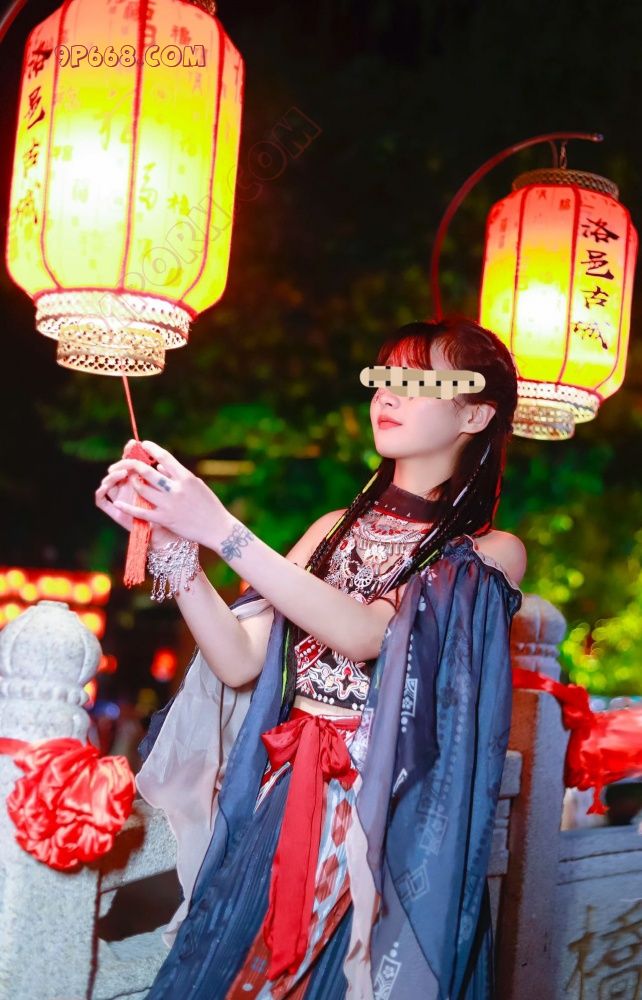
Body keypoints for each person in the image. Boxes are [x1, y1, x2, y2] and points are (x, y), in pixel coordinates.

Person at [95, 315, 527, 999]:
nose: (389, 395)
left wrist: (223, 529)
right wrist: (179, 546)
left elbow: (367, 634)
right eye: (385, 378)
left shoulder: (489, 553)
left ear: (475, 413)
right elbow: (241, 659)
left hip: (383, 812)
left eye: (419, 381)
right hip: (286, 789)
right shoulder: (333, 529)